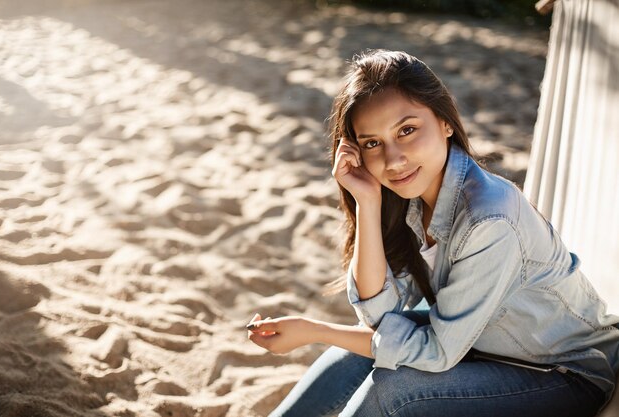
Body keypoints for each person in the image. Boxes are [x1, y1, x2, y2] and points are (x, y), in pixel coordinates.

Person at [246, 50, 619, 417]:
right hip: (485, 348)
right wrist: (367, 204)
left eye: (407, 131)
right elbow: (381, 319)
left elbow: (438, 352)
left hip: (564, 374)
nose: (393, 160)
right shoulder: (412, 200)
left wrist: (316, 330)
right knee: (351, 354)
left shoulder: (489, 220)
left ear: (445, 122)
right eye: (372, 143)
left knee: (395, 391)